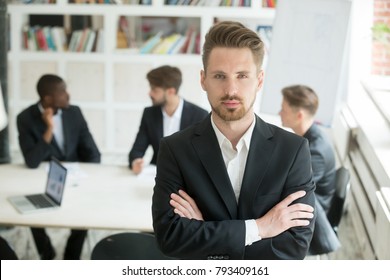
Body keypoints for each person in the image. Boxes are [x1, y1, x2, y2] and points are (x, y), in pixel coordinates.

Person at [152, 21, 316, 260]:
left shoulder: (293, 151)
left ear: (259, 81)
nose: (231, 89)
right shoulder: (175, 149)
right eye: (219, 76)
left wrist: (205, 232)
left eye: (242, 76)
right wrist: (260, 228)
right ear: (203, 80)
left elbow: (294, 246)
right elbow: (170, 237)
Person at [16, 74, 101, 259]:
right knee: (31, 212)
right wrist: (49, 129)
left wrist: (90, 176)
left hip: (75, 176)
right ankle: (46, 253)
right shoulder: (25, 118)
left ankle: (71, 257)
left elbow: (93, 152)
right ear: (47, 98)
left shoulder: (74, 112)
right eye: (62, 91)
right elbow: (31, 161)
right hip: (41, 179)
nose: (67, 95)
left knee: (83, 215)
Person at [279, 85, 339, 255]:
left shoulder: (316, 149)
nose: (279, 113)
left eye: (283, 109)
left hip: (312, 220)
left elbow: (293, 187)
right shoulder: (310, 137)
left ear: (299, 116)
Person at [128, 65, 208, 174]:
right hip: (155, 175)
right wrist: (136, 162)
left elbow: (204, 157)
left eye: (154, 90)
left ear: (171, 91)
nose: (150, 93)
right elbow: (136, 150)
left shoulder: (200, 115)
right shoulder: (149, 114)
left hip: (188, 178)